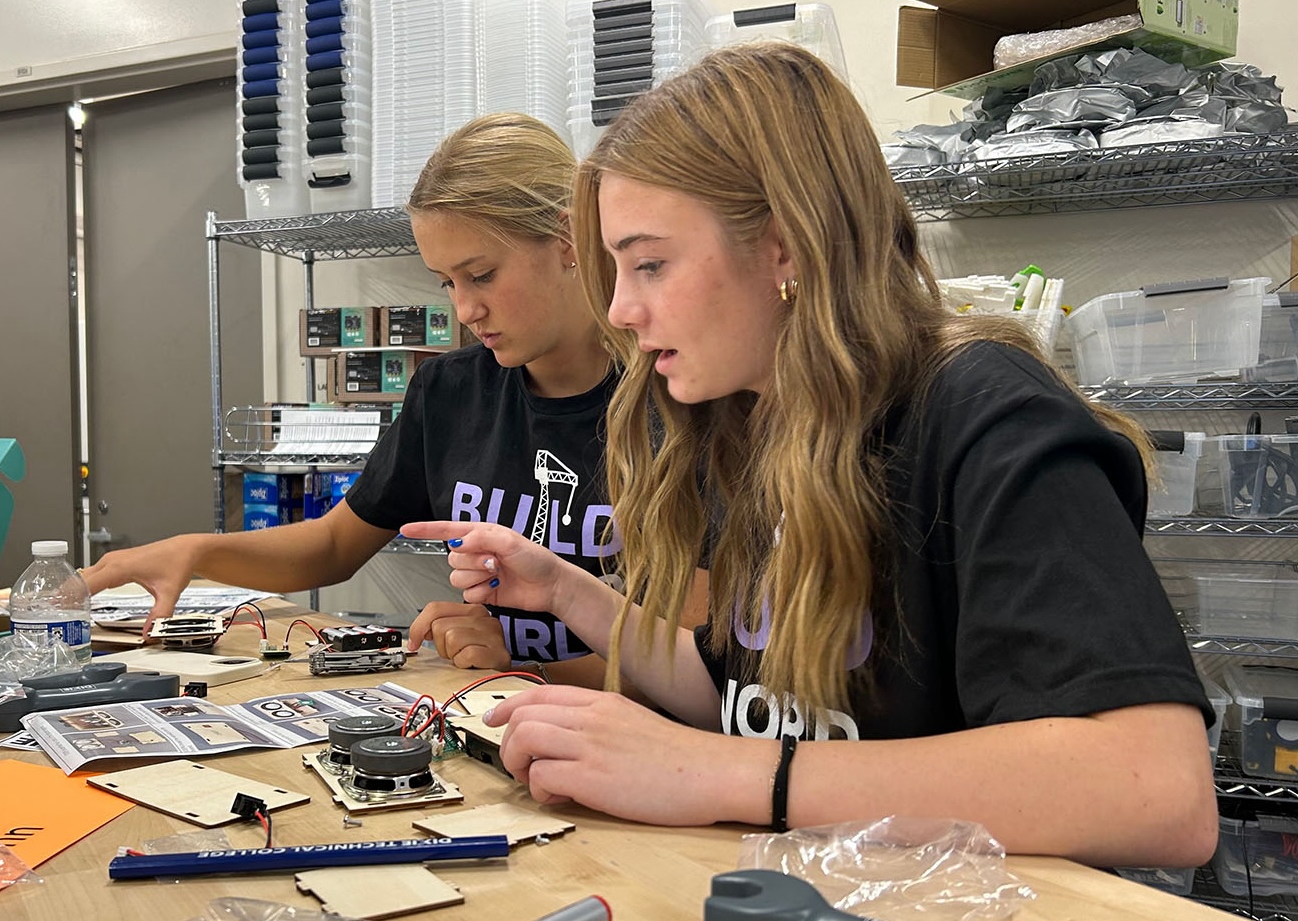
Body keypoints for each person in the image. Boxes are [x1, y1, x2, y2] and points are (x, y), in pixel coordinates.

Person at [399, 43, 1218, 868]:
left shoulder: (983, 413)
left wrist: (722, 771)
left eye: (649, 263)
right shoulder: (756, 419)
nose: (620, 309)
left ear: (785, 247)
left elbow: (1154, 790)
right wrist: (567, 593)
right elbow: (745, 692)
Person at [83, 113, 706, 689]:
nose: (465, 310)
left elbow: (701, 656)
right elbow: (333, 545)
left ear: (567, 240)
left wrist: (520, 669)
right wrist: (198, 551)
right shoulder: (449, 393)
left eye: (481, 274)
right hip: (492, 722)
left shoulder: (681, 399)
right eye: (447, 283)